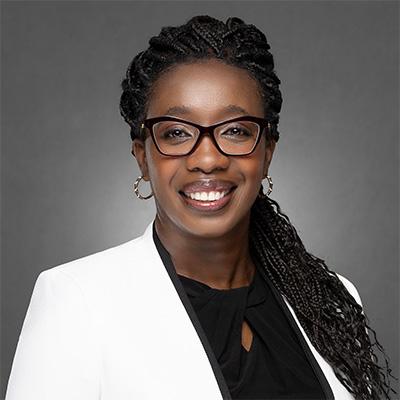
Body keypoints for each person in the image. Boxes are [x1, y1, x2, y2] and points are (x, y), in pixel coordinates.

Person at [5, 15, 394, 400]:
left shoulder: (330, 301)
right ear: (142, 157)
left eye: (235, 130)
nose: (208, 159)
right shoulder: (76, 300)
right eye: (176, 133)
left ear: (267, 153)